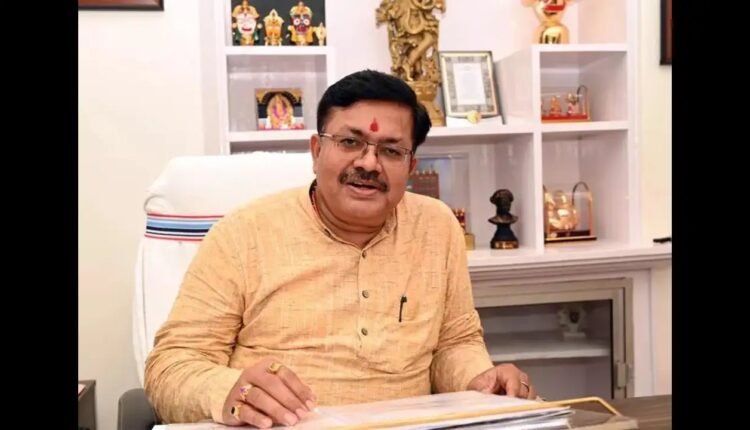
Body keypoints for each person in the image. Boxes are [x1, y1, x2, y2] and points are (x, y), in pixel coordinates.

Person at [144, 69, 538, 428]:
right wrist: (228, 391)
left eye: (391, 150)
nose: (368, 163)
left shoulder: (437, 226)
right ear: (316, 151)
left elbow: (454, 343)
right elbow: (171, 366)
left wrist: (479, 379)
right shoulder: (242, 234)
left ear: (411, 167)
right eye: (350, 142)